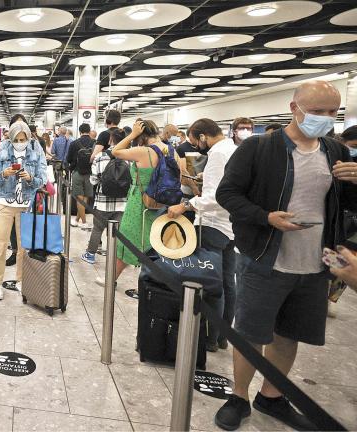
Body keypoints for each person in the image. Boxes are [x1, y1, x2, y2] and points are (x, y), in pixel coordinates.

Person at [214, 81, 357, 431]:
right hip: (265, 255)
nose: (325, 119)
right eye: (317, 111)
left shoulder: (336, 151)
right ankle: (239, 395)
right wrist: (266, 217)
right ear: (295, 108)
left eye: (332, 113)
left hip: (317, 260)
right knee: (250, 331)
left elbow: (347, 208)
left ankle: (272, 394)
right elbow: (227, 193)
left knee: (289, 333)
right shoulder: (259, 149)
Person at [166, 118, 237, 352]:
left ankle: (208, 337)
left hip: (213, 224)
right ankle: (222, 335)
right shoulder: (232, 148)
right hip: (230, 226)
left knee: (211, 283)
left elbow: (216, 198)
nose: (196, 146)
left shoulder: (217, 153)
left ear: (203, 136)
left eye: (196, 140)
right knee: (227, 281)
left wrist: (185, 205)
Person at [110, 119, 186, 284]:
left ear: (142, 135)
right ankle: (146, 284)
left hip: (140, 201)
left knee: (129, 241)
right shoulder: (172, 151)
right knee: (154, 244)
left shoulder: (145, 151)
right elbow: (181, 176)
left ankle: (112, 279)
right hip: (164, 204)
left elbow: (115, 151)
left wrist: (132, 134)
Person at [0, 120, 47, 300]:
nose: (20, 142)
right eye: (17, 139)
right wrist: (4, 174)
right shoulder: (3, 150)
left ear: (28, 138)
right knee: (0, 246)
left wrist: (30, 178)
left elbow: (42, 179)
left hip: (27, 204)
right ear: (11, 137)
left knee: (23, 247)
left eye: (23, 139)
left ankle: (20, 280)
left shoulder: (36, 150)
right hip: (4, 203)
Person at [81, 128, 127, 264]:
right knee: (116, 231)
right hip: (122, 202)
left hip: (103, 201)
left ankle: (90, 255)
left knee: (97, 228)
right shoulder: (129, 156)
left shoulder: (100, 156)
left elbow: (93, 180)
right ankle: (114, 255)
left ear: (110, 140)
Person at [66, 123, 95, 228]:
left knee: (79, 198)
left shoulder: (74, 143)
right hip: (90, 173)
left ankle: (83, 222)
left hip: (77, 172)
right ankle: (78, 219)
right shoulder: (94, 143)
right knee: (86, 197)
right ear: (89, 130)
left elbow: (68, 159)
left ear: (80, 131)